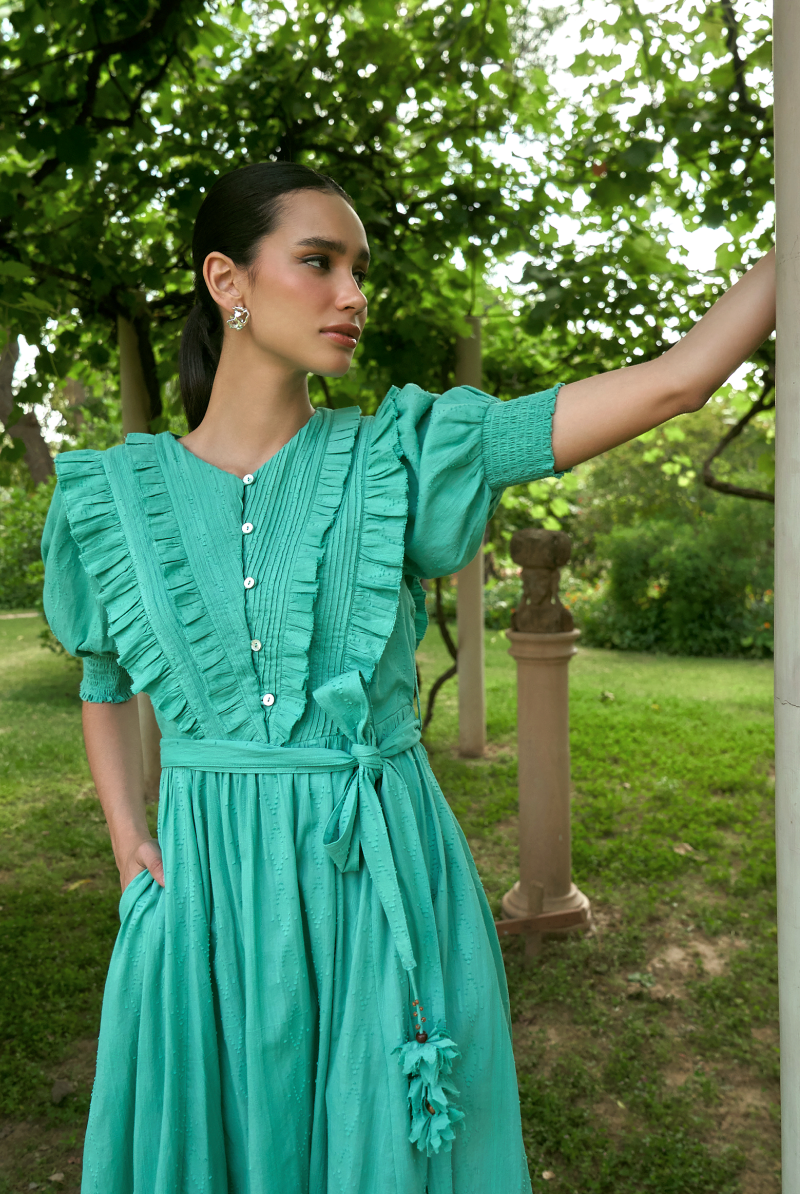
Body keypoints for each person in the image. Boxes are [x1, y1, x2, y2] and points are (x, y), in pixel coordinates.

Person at [41, 161, 776, 1194]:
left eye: (359, 269)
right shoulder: (109, 496)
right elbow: (106, 683)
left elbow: (678, 380)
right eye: (319, 262)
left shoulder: (406, 453)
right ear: (225, 280)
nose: (352, 294)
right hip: (204, 895)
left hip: (378, 883)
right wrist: (130, 848)